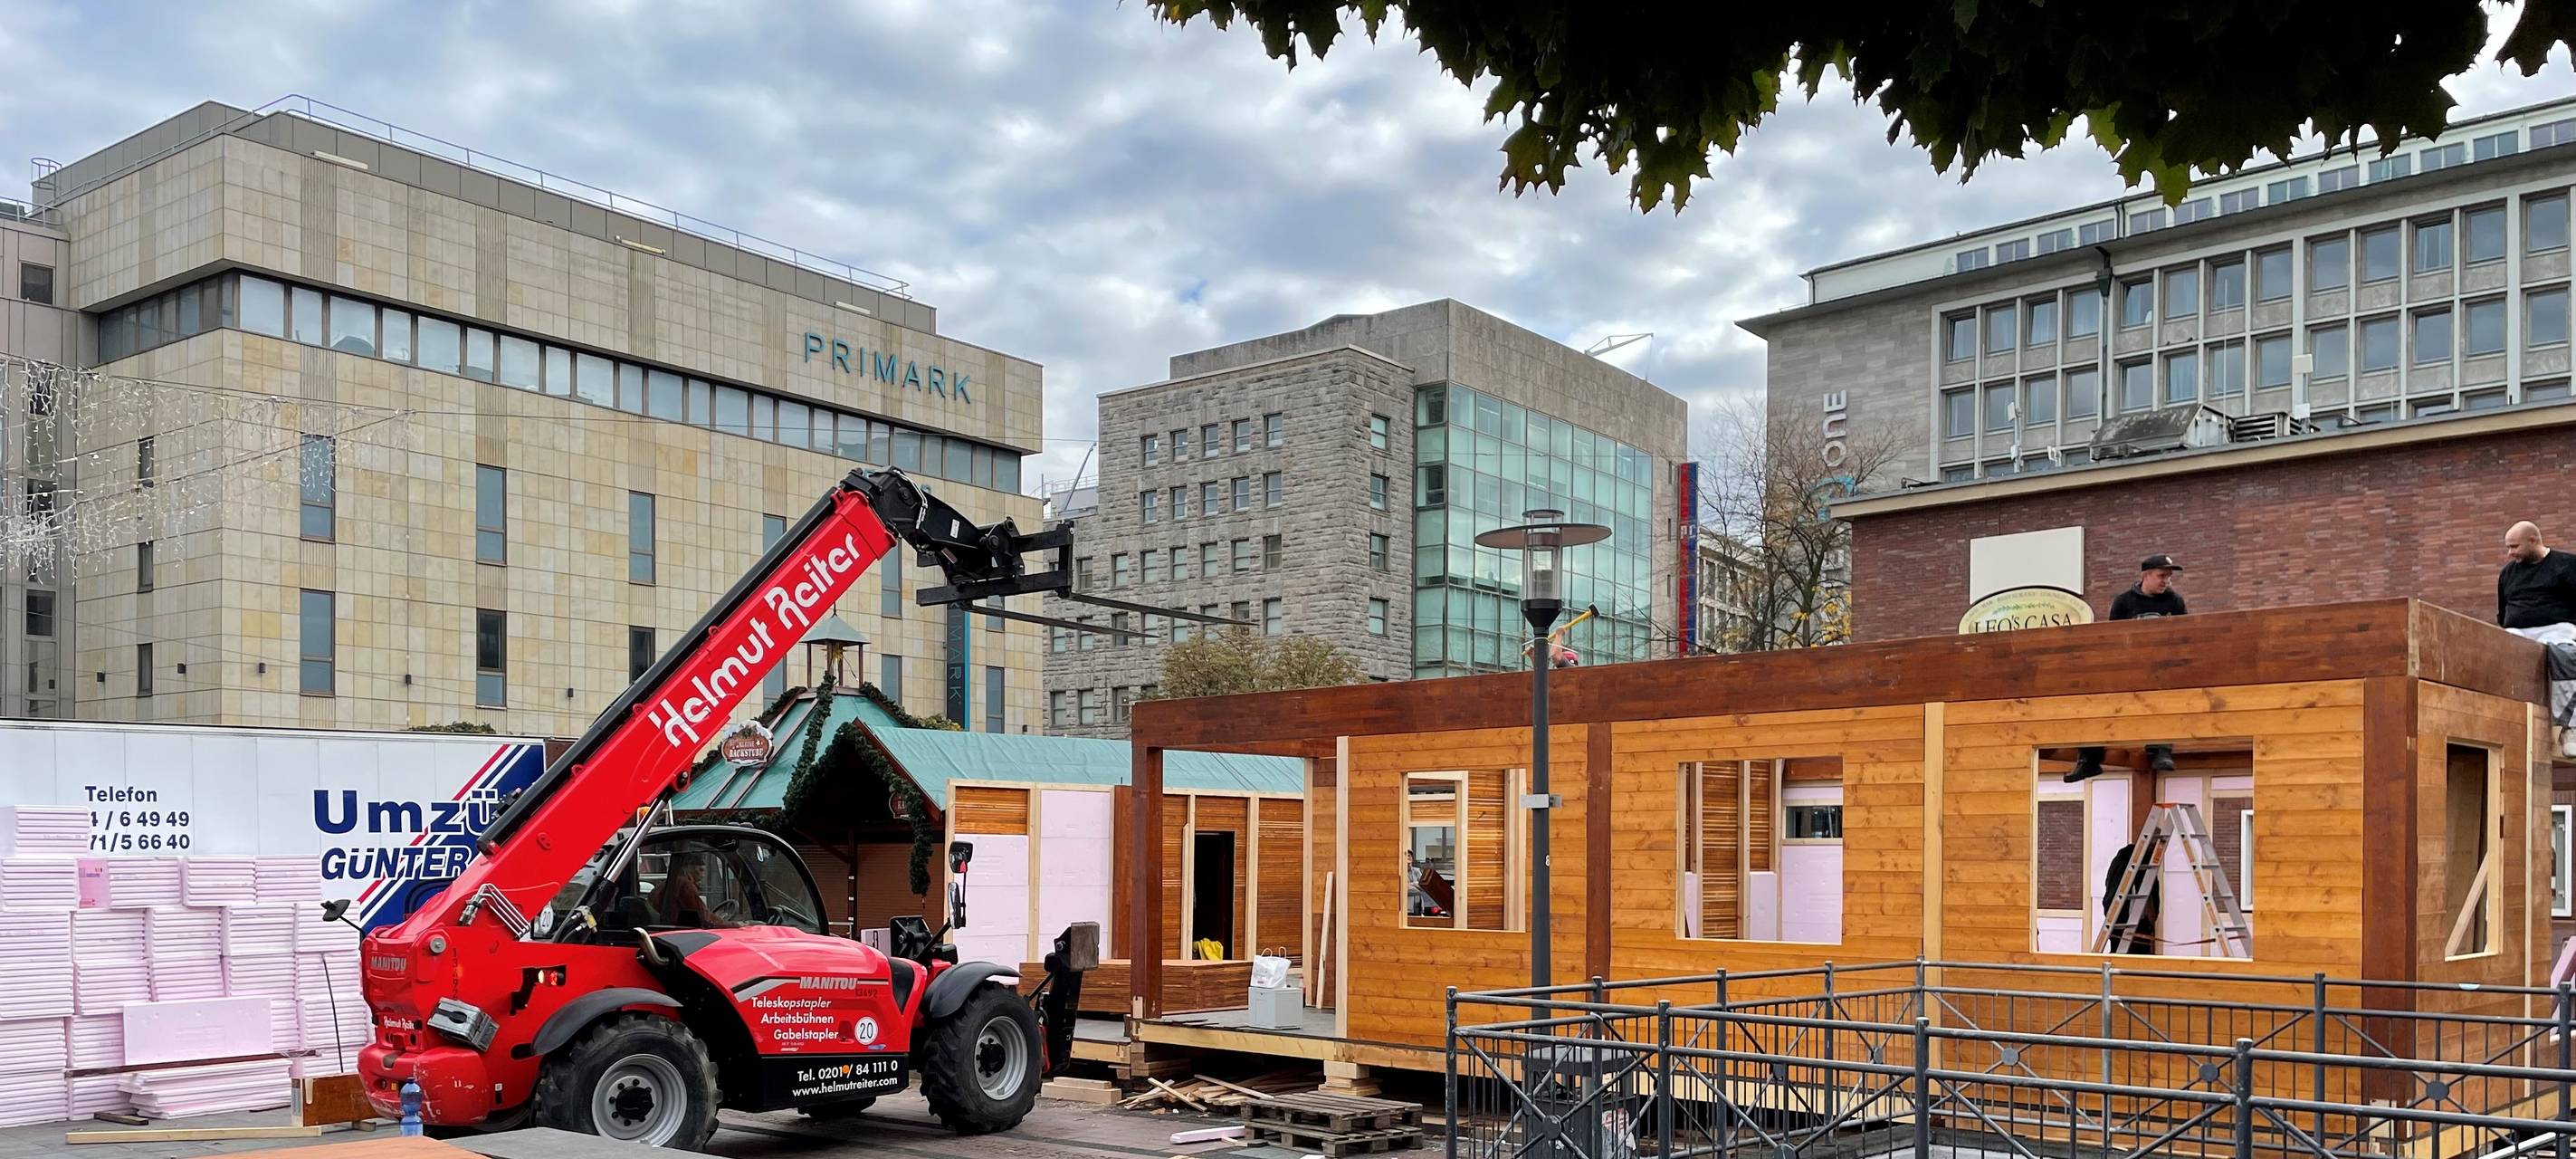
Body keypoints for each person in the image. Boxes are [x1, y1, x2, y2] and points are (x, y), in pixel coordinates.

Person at [2069, 556, 2190, 781]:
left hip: (2162, 668)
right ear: (2145, 575)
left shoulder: (2175, 602)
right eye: (2162, 576)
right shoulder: (2124, 602)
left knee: (2162, 700)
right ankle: (2089, 759)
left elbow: (2185, 635)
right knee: (2094, 701)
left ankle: (2161, 749)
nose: (2167, 582)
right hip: (2128, 667)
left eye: (2169, 577)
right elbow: (2112, 638)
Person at [2498, 522, 2576, 759]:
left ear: (2533, 541)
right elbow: (2502, 612)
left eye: (2514, 547)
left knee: (2565, 655)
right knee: (2496, 648)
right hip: (2518, 630)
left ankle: (2570, 728)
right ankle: (2504, 718)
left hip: (2558, 627)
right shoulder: (2508, 573)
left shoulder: (2566, 565)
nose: (2510, 553)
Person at [2102, 841, 2161, 954]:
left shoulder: (2146, 867)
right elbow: (2112, 894)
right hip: (2122, 924)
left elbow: (2152, 898)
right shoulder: (2126, 862)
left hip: (2139, 926)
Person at [659, 856, 736, 929]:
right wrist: (731, 924)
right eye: (701, 870)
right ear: (689, 867)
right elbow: (703, 917)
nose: (703, 875)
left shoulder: (664, 885)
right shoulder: (685, 885)